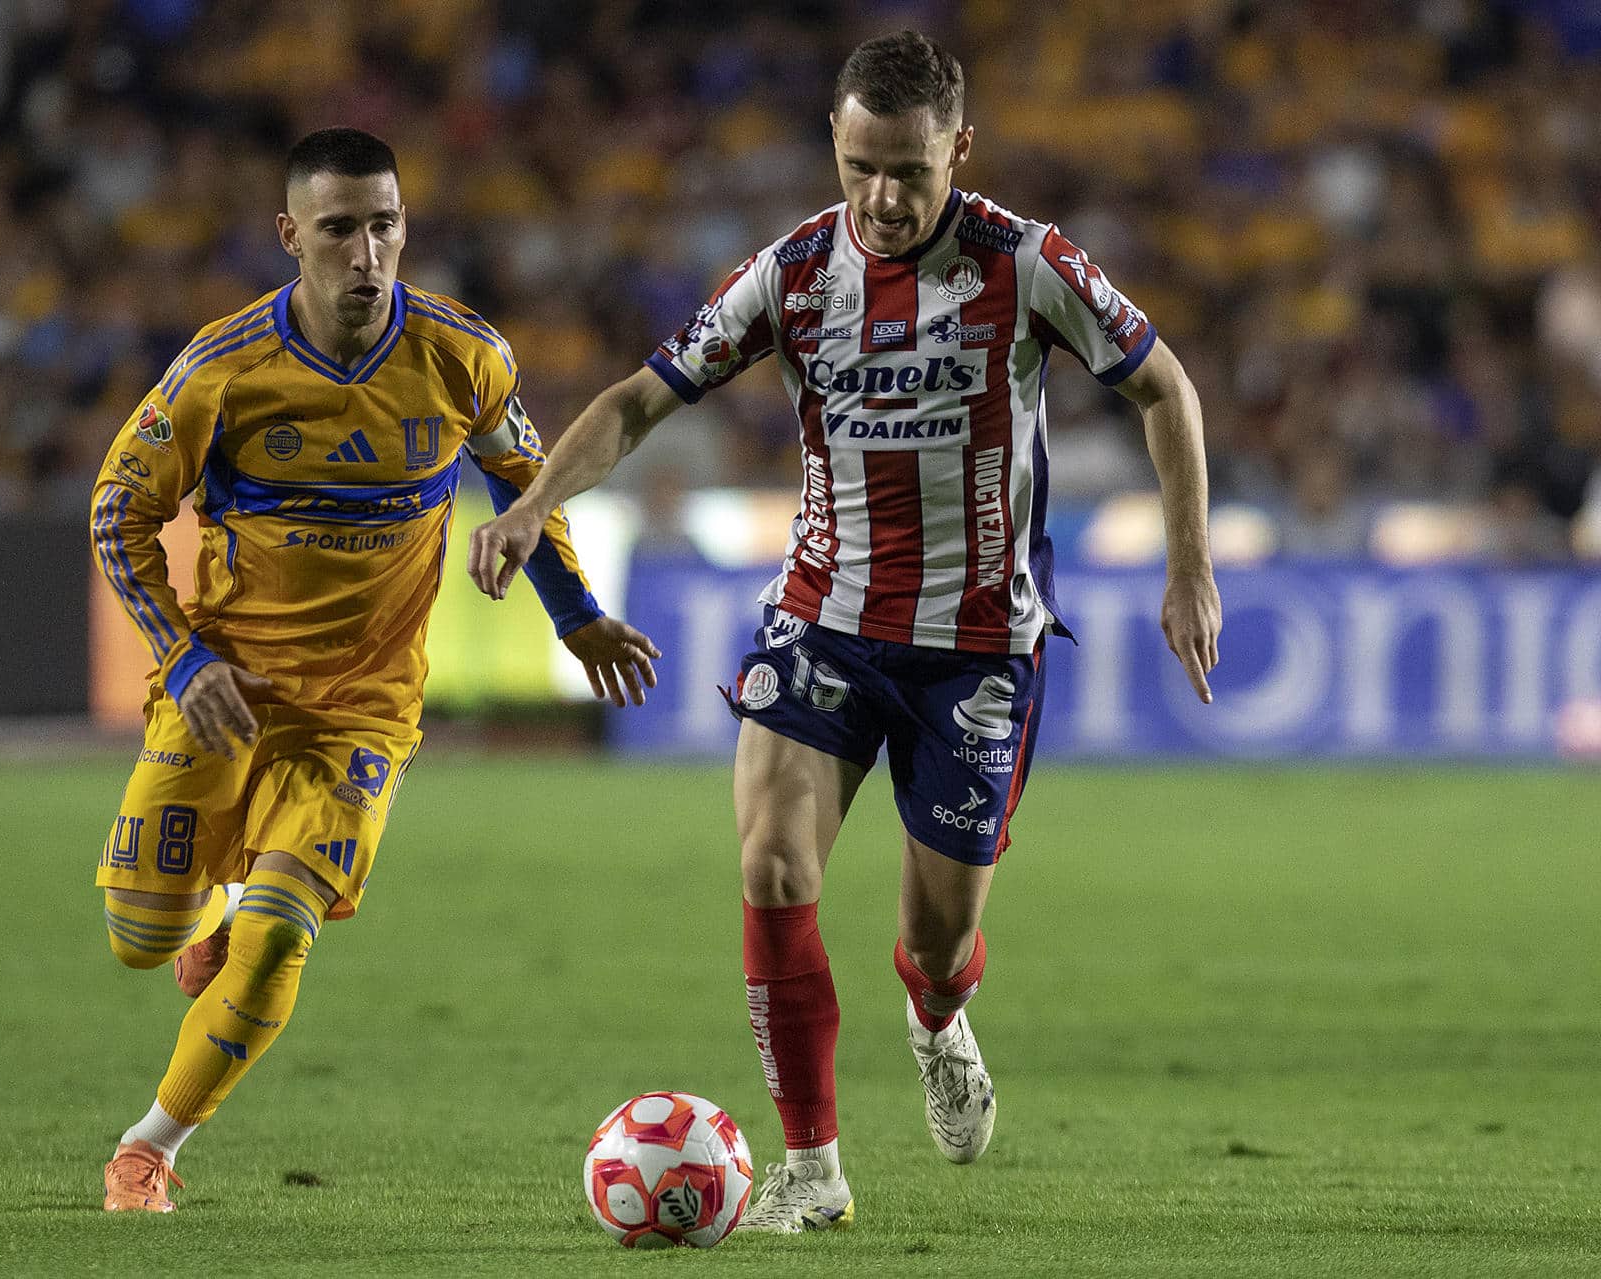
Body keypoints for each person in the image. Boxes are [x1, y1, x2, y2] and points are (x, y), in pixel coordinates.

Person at [470, 31, 1221, 1233]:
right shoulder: (793, 271)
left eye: (910, 171)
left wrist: (1190, 563)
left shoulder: (1026, 264)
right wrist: (533, 502)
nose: (882, 196)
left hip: (975, 650)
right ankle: (812, 1172)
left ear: (958, 151)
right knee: (772, 863)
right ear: (835, 141)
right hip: (821, 623)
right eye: (861, 164)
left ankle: (934, 1017)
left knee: (937, 942)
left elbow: (1163, 386)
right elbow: (636, 400)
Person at [89, 127, 659, 1213]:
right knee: (140, 936)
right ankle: (196, 922)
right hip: (225, 695)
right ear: (289, 234)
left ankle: (150, 1148)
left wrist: (578, 614)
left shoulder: (464, 354)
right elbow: (118, 513)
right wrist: (185, 651)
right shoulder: (221, 369)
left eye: (385, 226)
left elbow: (523, 482)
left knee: (279, 933)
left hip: (365, 710)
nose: (366, 253)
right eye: (340, 228)